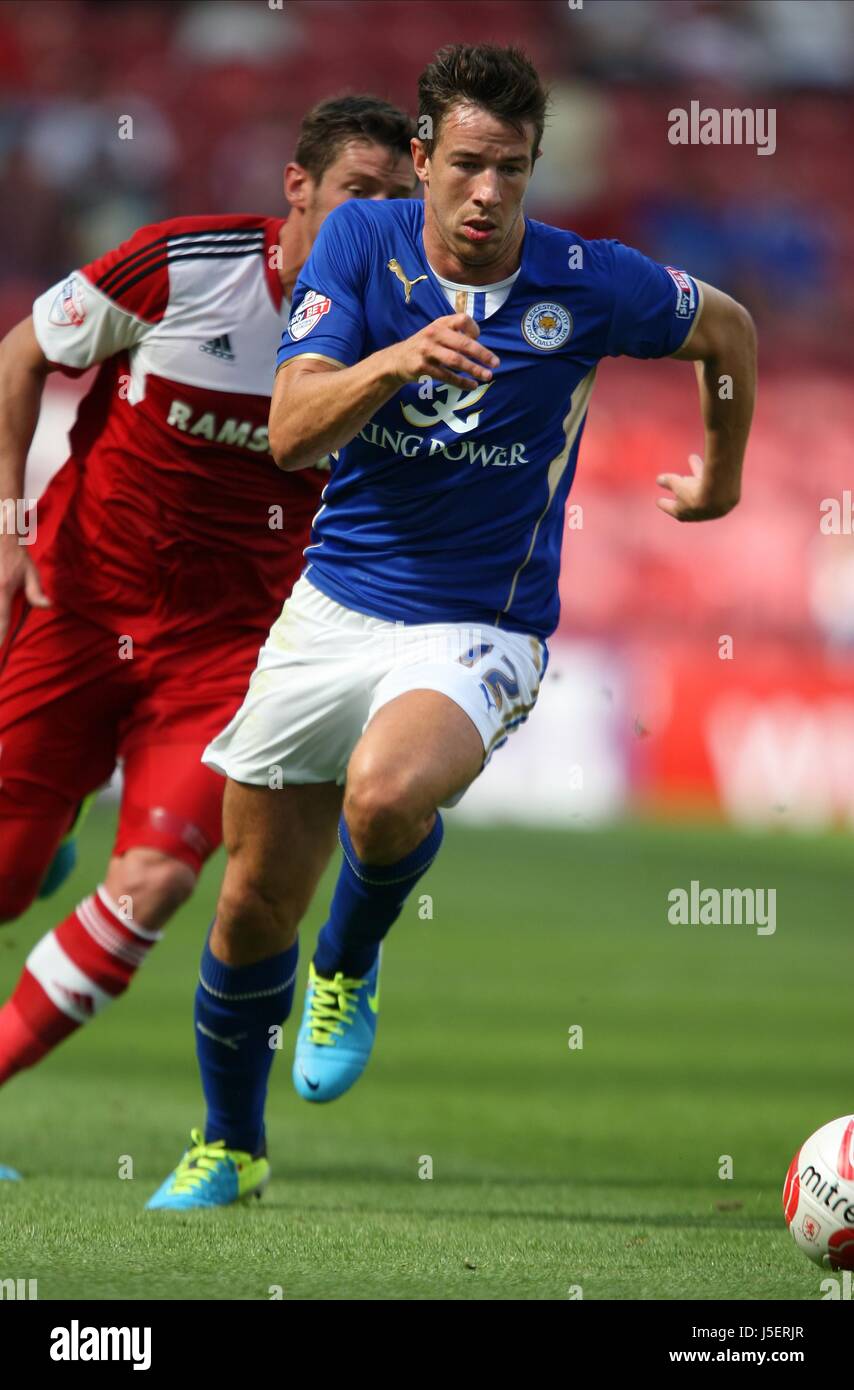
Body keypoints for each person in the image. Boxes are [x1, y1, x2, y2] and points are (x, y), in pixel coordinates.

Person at [148, 44, 755, 1211]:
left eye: (512, 171)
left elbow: (724, 330)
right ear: (421, 158)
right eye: (468, 164)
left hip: (481, 623)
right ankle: (230, 1144)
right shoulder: (359, 248)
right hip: (332, 609)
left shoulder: (586, 279)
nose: (488, 193)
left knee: (381, 796)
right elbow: (290, 435)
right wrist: (393, 358)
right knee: (247, 897)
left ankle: (350, 960)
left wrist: (720, 478)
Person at [0, 96, 416, 1178]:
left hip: (228, 656)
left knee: (157, 882)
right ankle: (41, 850)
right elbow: (15, 360)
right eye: (357, 194)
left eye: (397, 201)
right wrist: (6, 527)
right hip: (78, 608)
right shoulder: (182, 268)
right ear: (297, 188)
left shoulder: (394, 340)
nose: (378, 218)